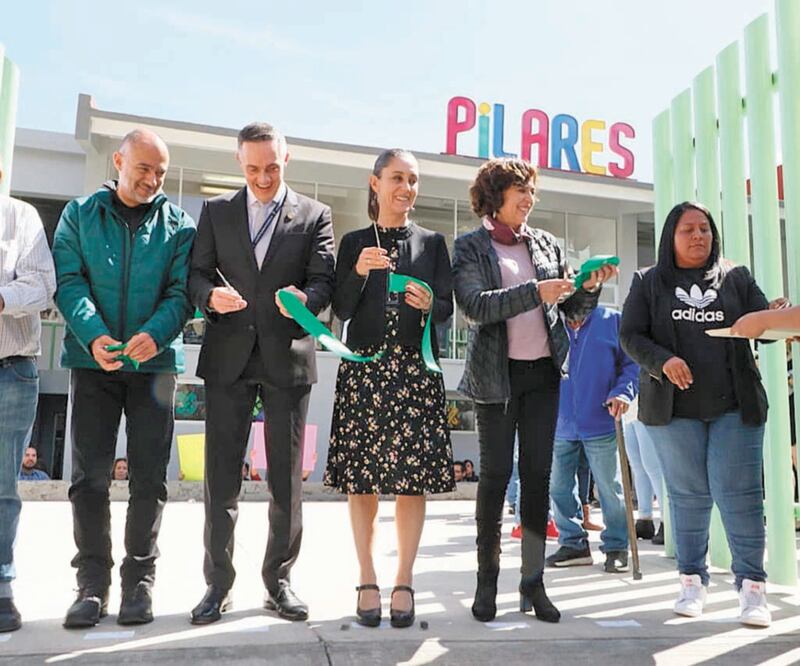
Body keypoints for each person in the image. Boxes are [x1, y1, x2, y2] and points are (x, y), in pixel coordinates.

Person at [453, 158, 616, 623]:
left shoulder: (545, 242)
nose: (528, 199)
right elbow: (475, 306)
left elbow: (569, 308)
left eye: (531, 191)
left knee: (539, 479)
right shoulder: (471, 246)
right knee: (496, 476)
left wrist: (589, 286)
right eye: (519, 190)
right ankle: (487, 584)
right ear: (494, 196)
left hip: (544, 375)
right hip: (496, 379)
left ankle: (533, 584)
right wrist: (534, 291)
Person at [188, 122, 335, 625]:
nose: (263, 177)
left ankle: (279, 581)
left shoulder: (315, 215)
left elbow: (324, 283)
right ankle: (218, 584)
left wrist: (305, 303)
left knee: (286, 483)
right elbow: (196, 275)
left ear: (286, 158)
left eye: (272, 167)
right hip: (228, 357)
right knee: (220, 479)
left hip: (286, 357)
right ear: (239, 163)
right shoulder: (215, 211)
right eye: (253, 168)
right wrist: (208, 296)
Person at [53, 128, 196, 628]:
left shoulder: (180, 226)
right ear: (118, 161)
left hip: (154, 369)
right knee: (89, 478)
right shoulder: (78, 215)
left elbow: (182, 293)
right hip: (94, 365)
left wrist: (155, 336)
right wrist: (93, 335)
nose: (153, 180)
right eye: (144, 168)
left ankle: (140, 582)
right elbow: (69, 282)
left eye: (161, 172)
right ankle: (92, 585)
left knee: (149, 479)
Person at [620, 201, 778, 628]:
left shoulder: (737, 277)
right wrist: (663, 361)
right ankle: (691, 580)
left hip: (735, 407)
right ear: (671, 236)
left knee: (740, 495)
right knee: (688, 497)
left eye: (704, 229)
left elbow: (760, 328)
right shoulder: (648, 281)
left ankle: (752, 589)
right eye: (688, 229)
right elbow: (630, 336)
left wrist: (773, 319)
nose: (698, 236)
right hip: (675, 411)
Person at [324, 149, 455, 629]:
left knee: (411, 482)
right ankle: (366, 577)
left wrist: (429, 302)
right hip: (365, 371)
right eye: (397, 178)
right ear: (375, 183)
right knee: (362, 481)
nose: (406, 187)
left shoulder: (433, 243)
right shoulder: (355, 242)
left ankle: (404, 580)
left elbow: (446, 309)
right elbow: (339, 309)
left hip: (416, 374)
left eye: (413, 179)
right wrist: (357, 273)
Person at [0, 169, 56, 632]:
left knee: (2, 488)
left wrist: (0, 299)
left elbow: (42, 285)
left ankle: (1, 586)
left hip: (10, 370)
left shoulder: (21, 217)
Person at [546, 306, 638, 573]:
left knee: (610, 488)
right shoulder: (550, 321)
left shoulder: (613, 320)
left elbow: (631, 364)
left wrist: (623, 392)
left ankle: (617, 546)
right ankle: (573, 544)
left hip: (601, 418)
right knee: (559, 487)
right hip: (559, 421)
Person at [623, 410, 665, 544]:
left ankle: (667, 522)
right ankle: (644, 519)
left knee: (653, 466)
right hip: (629, 408)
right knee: (637, 465)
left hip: (646, 404)